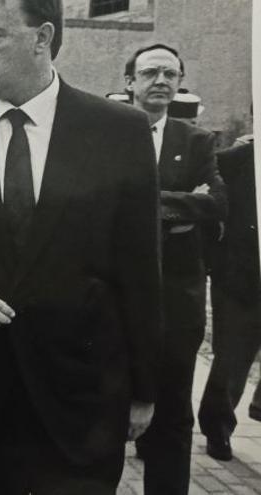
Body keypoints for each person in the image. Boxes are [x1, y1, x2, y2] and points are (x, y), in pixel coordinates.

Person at [0, 0, 163, 492]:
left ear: (42, 38)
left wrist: (145, 388)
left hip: (81, 397)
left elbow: (140, 268)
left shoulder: (117, 130)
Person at [123, 43, 227, 495]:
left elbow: (216, 203)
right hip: (114, 293)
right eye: (150, 73)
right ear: (130, 82)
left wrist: (149, 207)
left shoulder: (196, 139)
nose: (161, 81)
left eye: (170, 73)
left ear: (180, 81)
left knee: (171, 413)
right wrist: (178, 208)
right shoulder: (106, 134)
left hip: (175, 296)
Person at [198, 141, 258, 461]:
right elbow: (212, 212)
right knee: (231, 359)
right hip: (240, 281)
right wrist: (218, 264)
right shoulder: (232, 162)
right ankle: (217, 428)